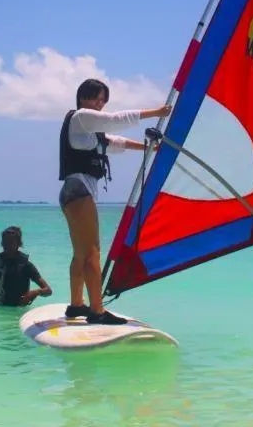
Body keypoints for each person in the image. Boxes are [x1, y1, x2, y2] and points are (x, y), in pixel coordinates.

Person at [58, 78, 171, 325]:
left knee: (80, 255)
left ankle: (77, 305)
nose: (100, 104)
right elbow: (116, 120)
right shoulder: (81, 117)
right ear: (84, 97)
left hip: (72, 192)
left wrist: (148, 149)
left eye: (103, 100)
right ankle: (97, 312)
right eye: (97, 98)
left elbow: (113, 142)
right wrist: (157, 112)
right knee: (92, 255)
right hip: (79, 191)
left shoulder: (88, 130)